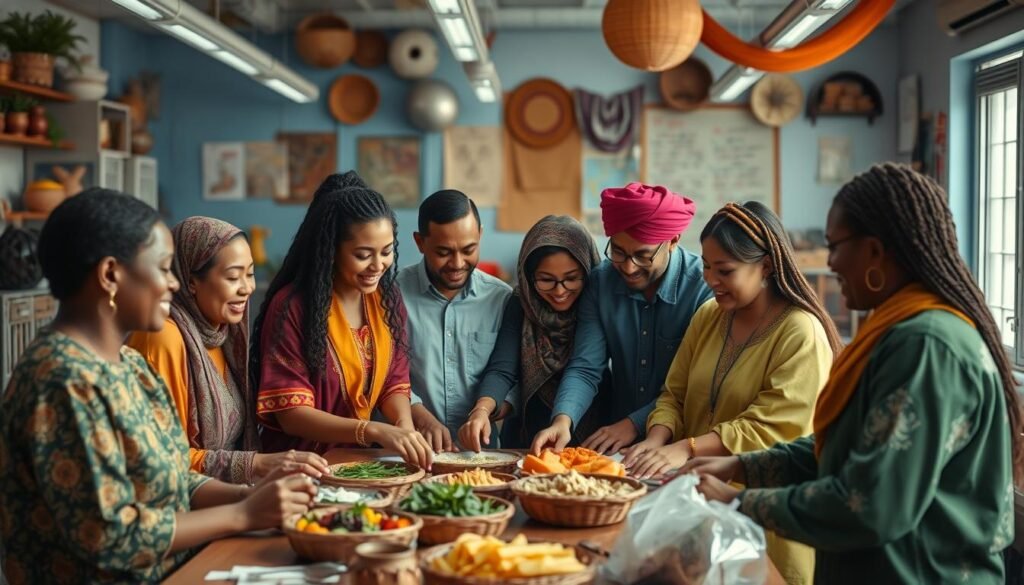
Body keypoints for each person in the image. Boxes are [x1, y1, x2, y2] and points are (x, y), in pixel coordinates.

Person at [684, 163, 1021, 584]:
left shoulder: (925, 345)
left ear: (876, 252)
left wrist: (740, 502)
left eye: (836, 246)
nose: (830, 262)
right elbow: (847, 445)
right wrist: (741, 466)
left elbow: (873, 503)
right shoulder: (897, 329)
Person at [0, 189, 316, 584]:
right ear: (111, 275)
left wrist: (250, 494)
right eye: (164, 269)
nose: (174, 284)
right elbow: (110, 535)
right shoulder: (62, 380)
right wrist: (243, 515)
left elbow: (172, 471)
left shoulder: (129, 364)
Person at [621, 201, 841, 584]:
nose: (710, 279)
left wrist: (684, 449)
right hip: (697, 507)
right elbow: (673, 393)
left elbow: (770, 429)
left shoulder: (800, 332)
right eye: (706, 266)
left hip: (764, 521)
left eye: (725, 270)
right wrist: (656, 441)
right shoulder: (708, 316)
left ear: (767, 266)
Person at [251, 171, 433, 470]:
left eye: (386, 252)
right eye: (363, 255)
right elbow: (291, 412)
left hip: (360, 464)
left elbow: (394, 382)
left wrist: (403, 425)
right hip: (303, 468)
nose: (378, 266)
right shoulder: (293, 307)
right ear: (331, 251)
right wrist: (372, 430)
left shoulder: (387, 300)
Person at [128, 217, 328, 484]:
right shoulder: (164, 338)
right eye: (233, 277)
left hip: (226, 495)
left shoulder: (224, 335)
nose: (247, 288)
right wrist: (255, 464)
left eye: (250, 273)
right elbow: (158, 457)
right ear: (190, 281)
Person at [531, 182, 713, 455]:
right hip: (619, 444)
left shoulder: (704, 288)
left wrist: (633, 424)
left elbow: (696, 384)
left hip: (685, 444)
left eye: (642, 255)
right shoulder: (602, 281)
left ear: (673, 241)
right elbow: (586, 366)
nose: (628, 267)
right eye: (617, 251)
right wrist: (563, 419)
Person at [459, 215, 603, 450]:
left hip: (592, 428)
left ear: (587, 272)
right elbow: (502, 368)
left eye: (571, 279)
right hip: (527, 433)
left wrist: (562, 420)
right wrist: (481, 410)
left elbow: (585, 368)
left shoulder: (596, 302)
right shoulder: (521, 302)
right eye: (546, 280)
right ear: (528, 277)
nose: (559, 291)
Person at [396, 190, 514, 450]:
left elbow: (512, 375)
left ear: (480, 235)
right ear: (420, 242)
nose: (458, 263)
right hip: (406, 450)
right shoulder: (392, 295)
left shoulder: (502, 299)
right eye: (444, 252)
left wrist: (484, 414)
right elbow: (383, 374)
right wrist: (420, 417)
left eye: (469, 249)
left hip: (481, 454)